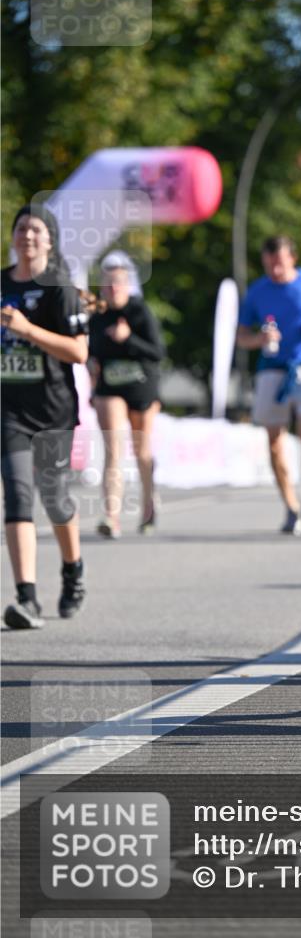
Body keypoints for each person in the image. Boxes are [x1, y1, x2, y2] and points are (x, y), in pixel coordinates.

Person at [1, 203, 89, 629]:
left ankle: (73, 572)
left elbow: (79, 351)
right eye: (22, 228)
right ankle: (27, 598)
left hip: (53, 412)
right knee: (18, 496)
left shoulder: (60, 289)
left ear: (49, 240)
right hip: (10, 412)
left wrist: (27, 330)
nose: (27, 236)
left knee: (55, 500)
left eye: (36, 230)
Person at [237, 236, 301, 535]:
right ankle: (291, 507)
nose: (274, 270)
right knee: (275, 444)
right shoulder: (257, 290)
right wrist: (259, 340)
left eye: (278, 263)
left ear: (292, 258)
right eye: (269, 265)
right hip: (271, 370)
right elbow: (241, 336)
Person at [88, 252, 165, 538]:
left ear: (128, 284)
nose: (112, 289)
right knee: (113, 450)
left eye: (118, 283)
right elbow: (90, 353)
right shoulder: (97, 316)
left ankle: (148, 506)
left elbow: (158, 353)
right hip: (109, 387)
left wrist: (128, 338)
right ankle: (111, 516)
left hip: (142, 386)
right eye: (107, 284)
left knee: (141, 451)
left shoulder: (139, 311)